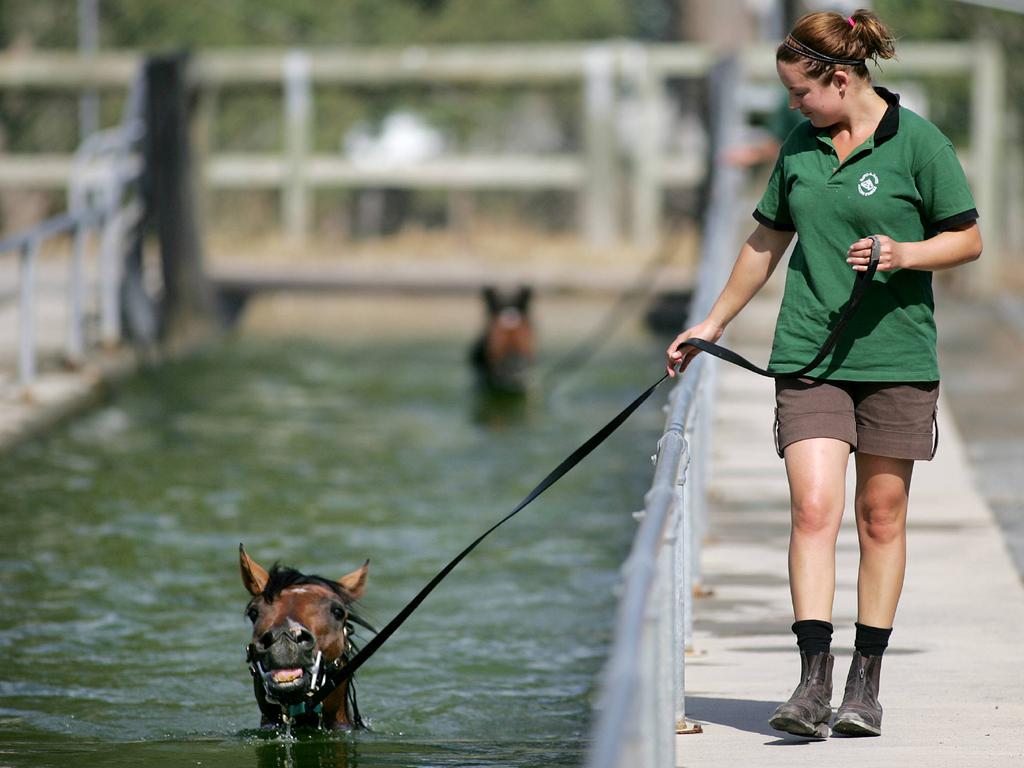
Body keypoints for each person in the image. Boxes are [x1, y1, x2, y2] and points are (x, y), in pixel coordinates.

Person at [665, 8, 982, 738]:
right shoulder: (800, 148)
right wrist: (711, 325)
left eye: (800, 92)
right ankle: (812, 683)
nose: (793, 105)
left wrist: (903, 254)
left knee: (880, 517)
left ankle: (864, 686)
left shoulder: (921, 145)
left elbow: (966, 240)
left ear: (839, 78)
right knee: (813, 509)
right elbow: (764, 240)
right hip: (809, 357)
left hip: (897, 357)